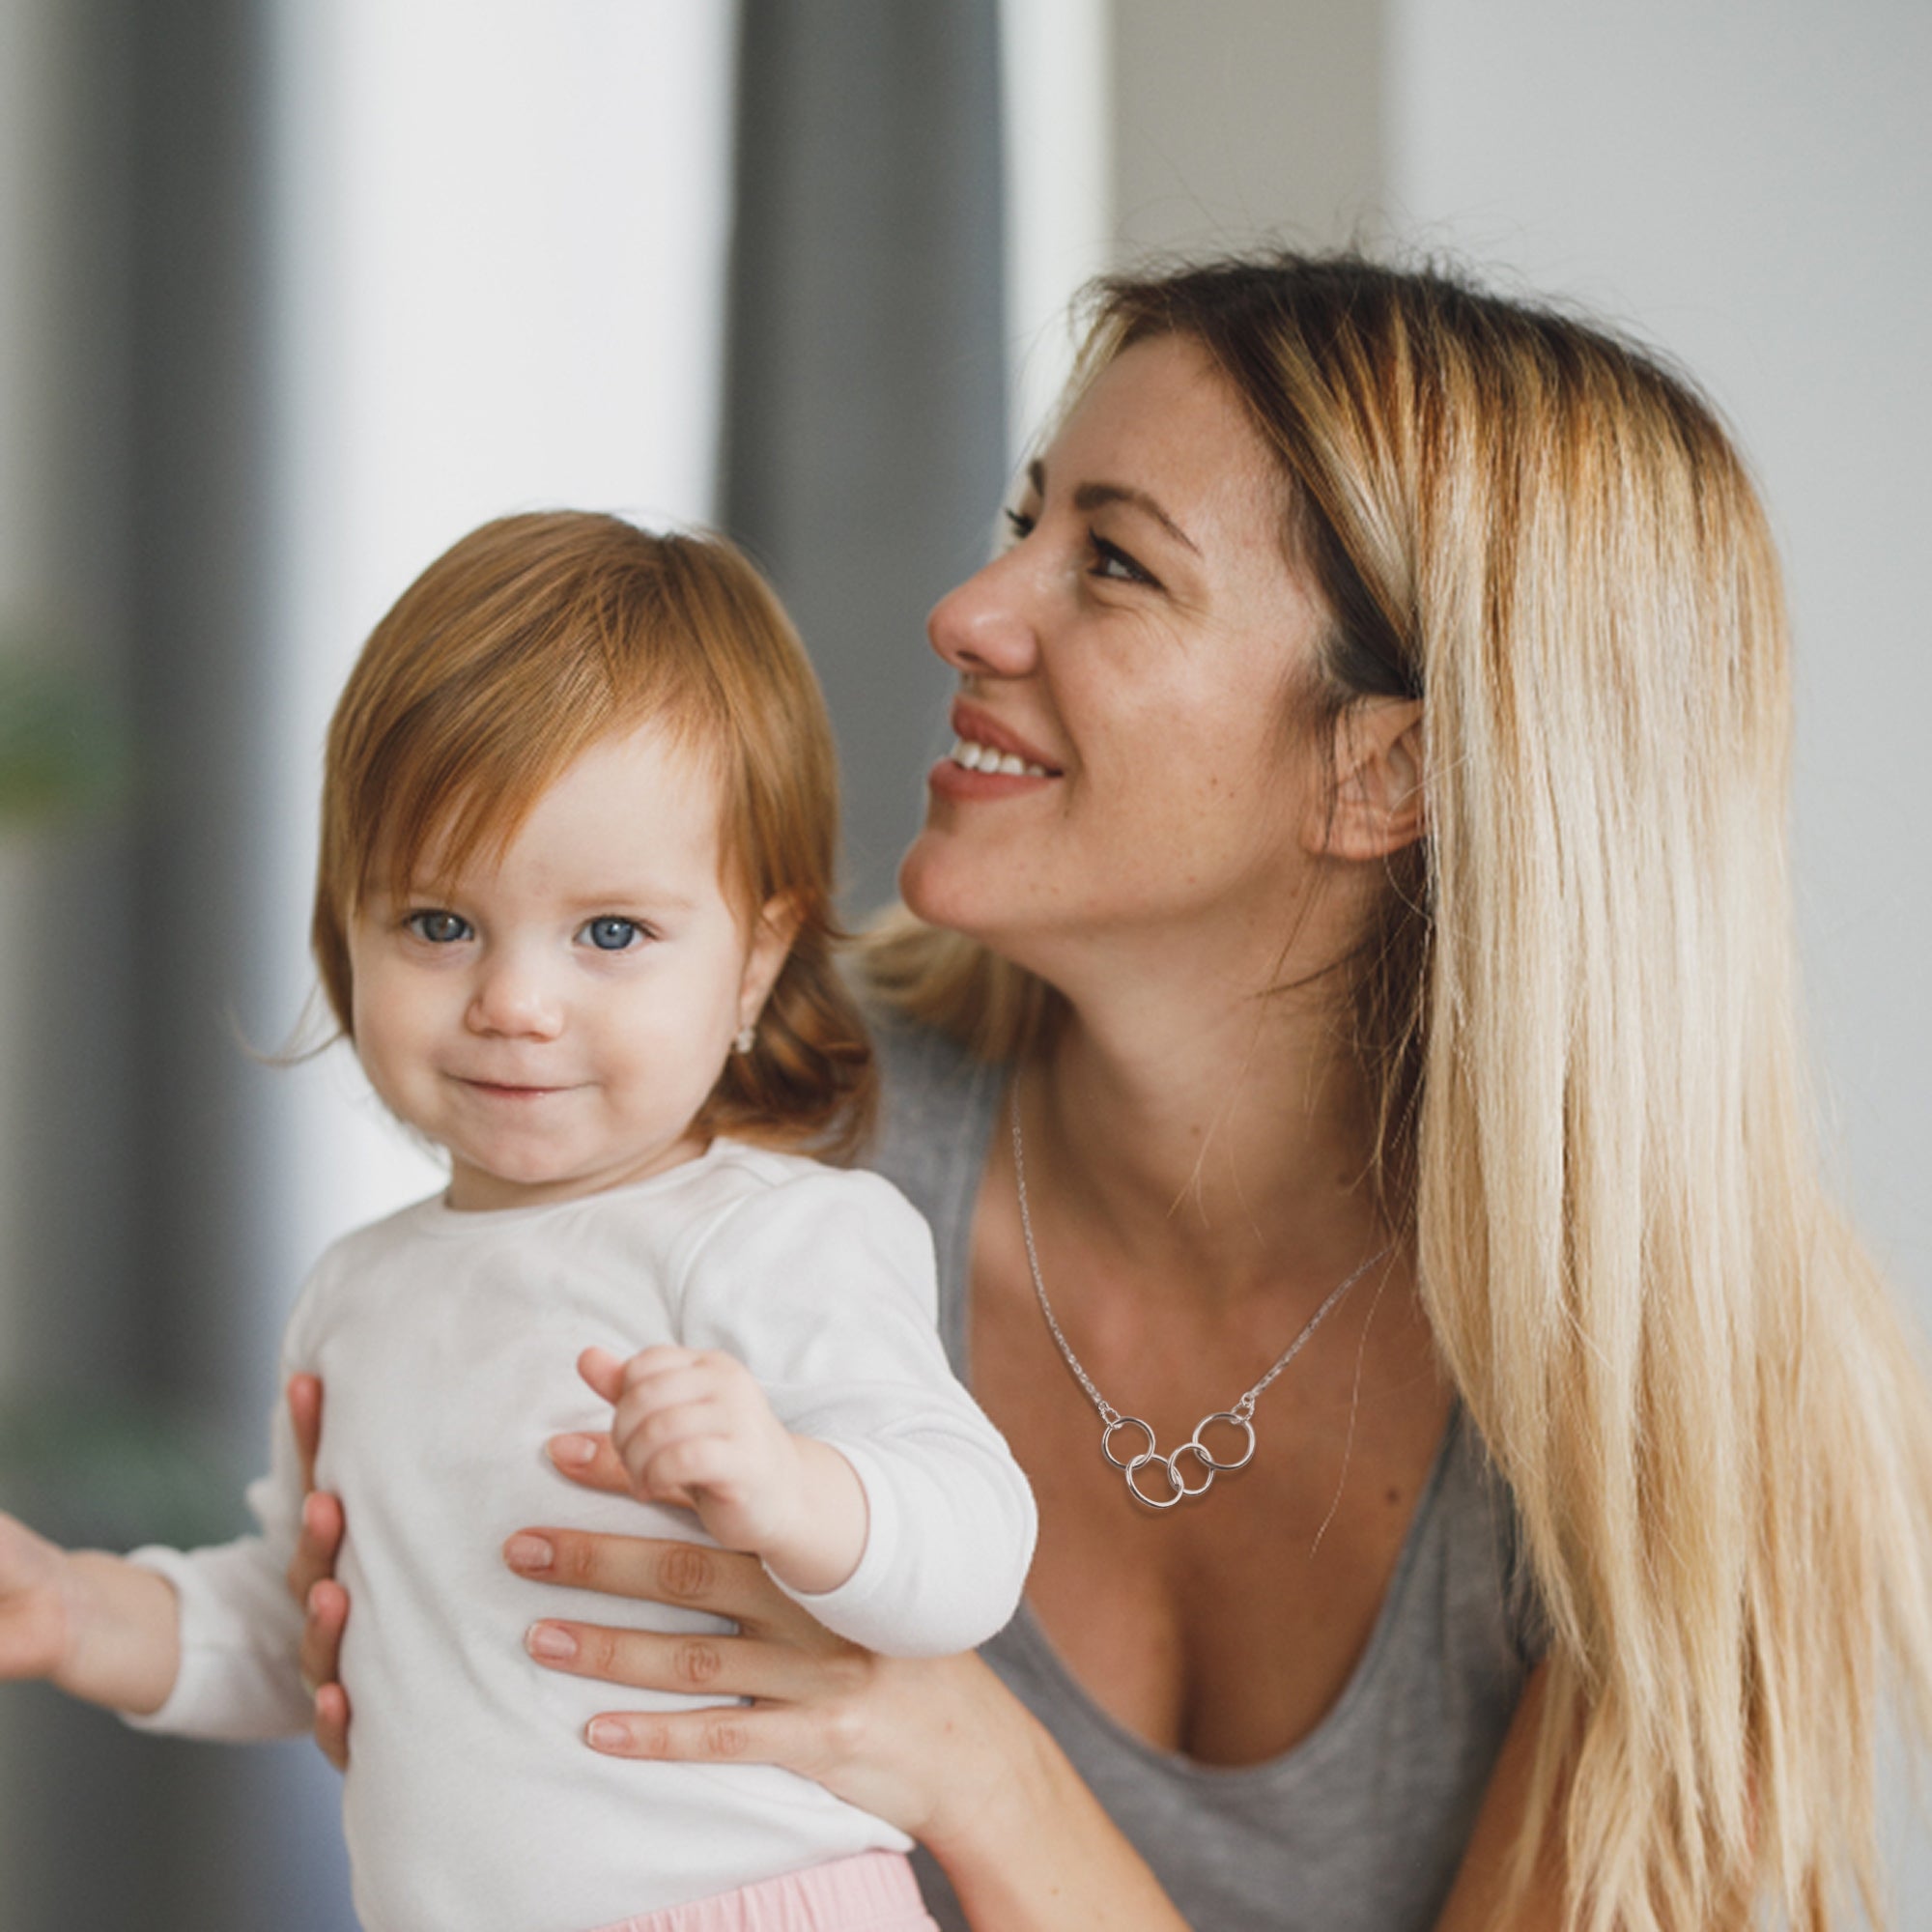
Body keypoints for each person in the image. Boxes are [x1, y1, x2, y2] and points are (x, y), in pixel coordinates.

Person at [288, 256, 1932, 1932]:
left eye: (1114, 563)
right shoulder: (768, 1132)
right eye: (1026, 520)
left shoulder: (1705, 1423)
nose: (968, 611)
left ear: (1388, 772)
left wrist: (970, 1761)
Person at [0, 514, 1037, 1932]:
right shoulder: (357, 1293)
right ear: (341, 930)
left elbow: (971, 1547)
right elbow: (303, 1624)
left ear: (758, 961)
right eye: (439, 923)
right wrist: (76, 1612)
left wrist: (791, 1488)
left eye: (611, 933)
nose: (515, 1003)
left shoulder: (776, 1237)